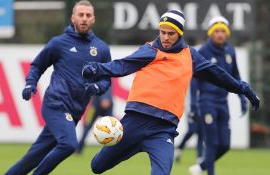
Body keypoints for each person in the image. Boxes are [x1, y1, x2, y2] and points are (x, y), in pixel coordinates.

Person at [82, 10, 259, 175]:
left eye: (171, 33)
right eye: (162, 32)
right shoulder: (150, 50)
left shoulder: (191, 56)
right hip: (135, 123)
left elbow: (218, 75)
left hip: (163, 131)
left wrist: (244, 89)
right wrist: (96, 69)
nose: (165, 37)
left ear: (180, 33)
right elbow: (121, 65)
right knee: (96, 167)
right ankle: (128, 147)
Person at [5, 1, 111, 174]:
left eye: (88, 15)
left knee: (32, 158)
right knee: (69, 144)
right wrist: (31, 83)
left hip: (75, 111)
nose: (84, 19)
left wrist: (97, 88)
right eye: (80, 14)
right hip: (55, 104)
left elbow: (106, 80)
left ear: (93, 19)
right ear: (73, 17)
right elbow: (37, 65)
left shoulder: (101, 49)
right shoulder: (59, 43)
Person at [188, 16, 248, 175]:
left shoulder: (230, 50)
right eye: (217, 31)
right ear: (210, 33)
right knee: (212, 142)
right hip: (207, 101)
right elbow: (193, 80)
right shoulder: (203, 51)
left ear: (227, 33)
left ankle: (201, 167)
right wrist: (193, 105)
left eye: (223, 31)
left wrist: (242, 97)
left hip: (223, 102)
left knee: (225, 145)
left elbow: (236, 75)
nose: (220, 34)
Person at [174, 78, 204, 164]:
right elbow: (189, 96)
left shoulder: (203, 77)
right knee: (192, 130)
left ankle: (199, 157)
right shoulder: (191, 77)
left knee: (201, 132)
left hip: (202, 109)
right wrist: (191, 110)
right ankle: (179, 148)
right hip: (191, 109)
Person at [76, 87, 113, 154]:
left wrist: (105, 99)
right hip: (93, 107)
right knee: (86, 128)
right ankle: (79, 149)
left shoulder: (106, 79)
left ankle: (112, 151)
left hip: (107, 108)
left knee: (112, 130)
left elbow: (107, 90)